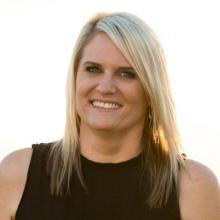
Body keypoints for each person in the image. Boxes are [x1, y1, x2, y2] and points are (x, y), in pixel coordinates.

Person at [0, 12, 219, 220]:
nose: (105, 87)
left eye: (127, 74)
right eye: (93, 69)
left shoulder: (194, 187)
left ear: (152, 89)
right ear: (75, 78)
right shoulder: (17, 174)